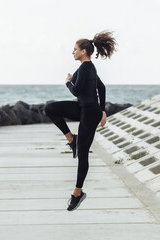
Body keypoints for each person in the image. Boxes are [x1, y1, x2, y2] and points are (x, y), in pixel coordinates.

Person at [44, 31, 117, 211]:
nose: (73, 52)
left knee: (83, 154)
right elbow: (101, 87)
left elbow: (76, 91)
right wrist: (103, 111)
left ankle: (77, 193)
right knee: (50, 108)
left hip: (90, 112)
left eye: (75, 49)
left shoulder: (86, 68)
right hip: (84, 108)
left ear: (84, 51)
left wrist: (68, 82)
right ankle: (71, 139)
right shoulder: (87, 68)